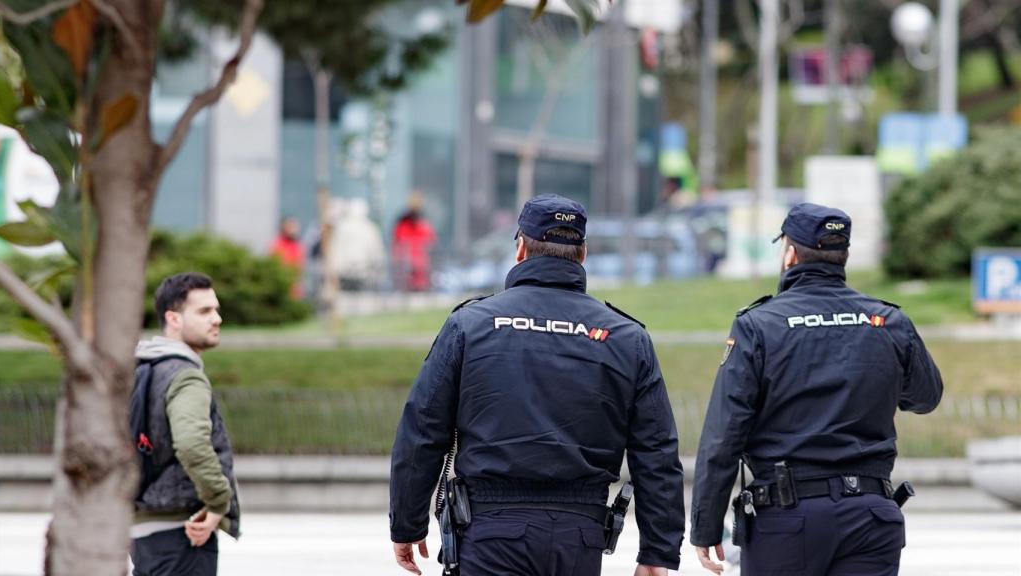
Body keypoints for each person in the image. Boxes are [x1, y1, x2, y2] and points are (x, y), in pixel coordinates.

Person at [389, 194, 685, 576]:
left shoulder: (470, 325)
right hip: (579, 538)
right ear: (582, 254)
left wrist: (407, 523)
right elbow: (656, 451)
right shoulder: (626, 337)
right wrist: (658, 552)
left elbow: (423, 428)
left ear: (520, 249)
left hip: (489, 534)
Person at [690, 203, 943, 575]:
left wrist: (706, 525)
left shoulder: (760, 325)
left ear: (790, 254)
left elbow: (723, 434)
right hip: (872, 518)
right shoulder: (888, 321)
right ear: (844, 256)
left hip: (786, 522)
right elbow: (926, 396)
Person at [131, 272, 240, 576]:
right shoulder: (185, 376)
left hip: (143, 527)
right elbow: (192, 444)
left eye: (216, 310)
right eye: (204, 311)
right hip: (183, 530)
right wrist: (218, 501)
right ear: (174, 319)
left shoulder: (143, 369)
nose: (216, 319)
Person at [392, 192, 437, 292]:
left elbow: (431, 245)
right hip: (406, 271)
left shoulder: (424, 226)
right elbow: (397, 248)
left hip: (421, 272)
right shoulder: (402, 226)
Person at [270, 216, 305, 299]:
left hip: (294, 287)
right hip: (280, 285)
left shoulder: (298, 246)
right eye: (290, 226)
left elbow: (299, 267)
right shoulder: (277, 244)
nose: (293, 229)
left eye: (294, 227)